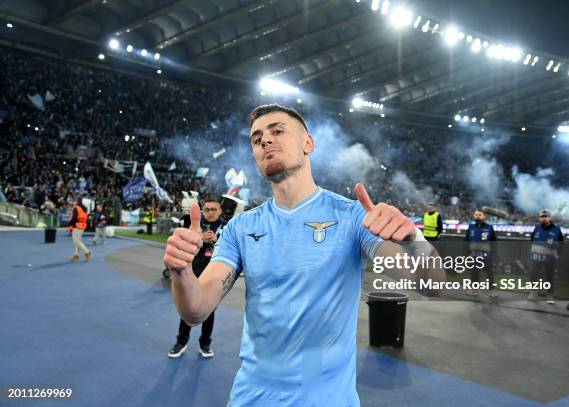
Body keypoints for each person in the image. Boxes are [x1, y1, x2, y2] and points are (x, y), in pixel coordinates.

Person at [163, 104, 444, 406]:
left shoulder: (352, 217)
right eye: (257, 139)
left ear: (308, 143)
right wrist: (182, 270)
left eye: (277, 131)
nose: (265, 141)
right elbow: (196, 311)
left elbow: (433, 285)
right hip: (252, 398)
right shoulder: (241, 227)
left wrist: (414, 239)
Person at [168, 196, 226, 359]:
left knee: (209, 311)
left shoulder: (227, 227)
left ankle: (205, 344)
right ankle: (181, 341)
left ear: (220, 211)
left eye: (213, 209)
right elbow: (182, 245)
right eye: (207, 209)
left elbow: (234, 251)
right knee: (187, 309)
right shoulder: (194, 223)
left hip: (213, 276)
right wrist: (198, 239)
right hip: (192, 274)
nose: (209, 212)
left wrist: (218, 241)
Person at [528, 210, 563, 304]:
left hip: (549, 257)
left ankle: (550, 295)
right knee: (533, 274)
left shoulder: (556, 229)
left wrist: (558, 254)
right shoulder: (536, 228)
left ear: (550, 218)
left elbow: (561, 243)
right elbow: (532, 239)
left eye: (545, 216)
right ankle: (534, 292)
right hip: (536, 257)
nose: (543, 218)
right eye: (542, 216)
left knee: (549, 277)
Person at [465, 209, 497, 297]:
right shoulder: (470, 227)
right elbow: (466, 242)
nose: (477, 216)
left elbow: (494, 242)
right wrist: (466, 254)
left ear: (484, 216)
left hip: (486, 255)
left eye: (480, 214)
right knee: (475, 272)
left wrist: (493, 254)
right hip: (474, 255)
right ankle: (475, 290)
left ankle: (491, 291)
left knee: (489, 273)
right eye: (476, 215)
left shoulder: (489, 227)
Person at [68, 196, 92, 262]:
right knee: (78, 241)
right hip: (82, 226)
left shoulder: (76, 208)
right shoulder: (85, 209)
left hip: (76, 226)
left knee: (76, 241)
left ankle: (87, 252)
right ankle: (76, 255)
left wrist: (69, 224)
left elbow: (74, 218)